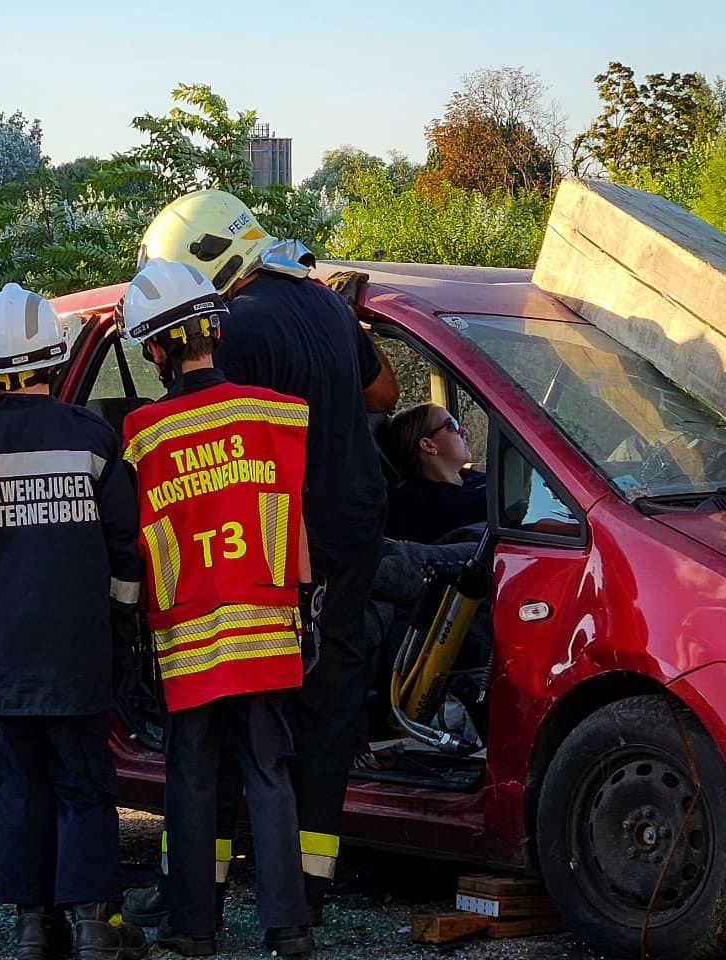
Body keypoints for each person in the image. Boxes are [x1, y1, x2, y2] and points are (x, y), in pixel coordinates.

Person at [131, 190, 398, 921]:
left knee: (227, 709)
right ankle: (305, 888)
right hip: (350, 535)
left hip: (269, 548)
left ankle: (194, 887)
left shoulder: (229, 330)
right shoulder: (325, 304)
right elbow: (383, 392)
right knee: (329, 710)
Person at [0, 283, 148, 960]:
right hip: (76, 650)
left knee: (17, 786)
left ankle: (33, 927)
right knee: (83, 784)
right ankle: (94, 927)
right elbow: (126, 551)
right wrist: (120, 632)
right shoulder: (92, 439)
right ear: (54, 361)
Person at [118, 259, 316, 959]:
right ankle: (288, 925)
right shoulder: (273, 415)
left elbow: (137, 544)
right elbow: (293, 522)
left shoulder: (144, 435)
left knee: (193, 777)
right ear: (215, 332)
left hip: (189, 637)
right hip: (266, 626)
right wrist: (307, 605)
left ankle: (193, 925)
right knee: (269, 770)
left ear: (156, 350)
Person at [376, 403, 487, 544]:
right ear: (428, 445)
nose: (465, 431)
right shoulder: (421, 505)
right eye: (452, 425)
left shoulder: (469, 477)